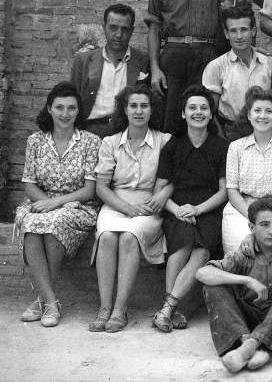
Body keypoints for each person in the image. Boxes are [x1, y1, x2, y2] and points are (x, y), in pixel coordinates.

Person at [15, 82, 102, 327]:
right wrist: (47, 203)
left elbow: (89, 190)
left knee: (54, 224)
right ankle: (51, 302)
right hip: (39, 202)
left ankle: (42, 300)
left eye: (71, 108)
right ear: (49, 109)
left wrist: (56, 204)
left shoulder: (90, 141)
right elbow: (29, 184)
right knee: (32, 225)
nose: (65, 113)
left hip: (77, 206)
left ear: (78, 111)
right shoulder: (35, 141)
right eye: (60, 107)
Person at [89, 86, 172, 333]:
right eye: (133, 106)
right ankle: (104, 308)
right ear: (124, 110)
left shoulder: (164, 141)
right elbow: (102, 187)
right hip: (115, 203)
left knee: (129, 236)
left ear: (152, 110)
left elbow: (176, 178)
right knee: (106, 237)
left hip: (148, 206)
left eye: (144, 106)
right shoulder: (111, 143)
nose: (138, 111)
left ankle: (119, 309)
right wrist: (125, 207)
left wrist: (163, 194)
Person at [152, 85, 229, 332]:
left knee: (202, 252)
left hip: (209, 210)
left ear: (211, 114)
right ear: (183, 113)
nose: (198, 112)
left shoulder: (221, 146)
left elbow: (223, 191)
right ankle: (173, 309)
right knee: (182, 244)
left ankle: (167, 308)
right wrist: (177, 210)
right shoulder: (173, 146)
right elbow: (159, 189)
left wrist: (197, 210)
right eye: (192, 108)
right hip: (177, 208)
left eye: (204, 108)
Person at [196, 198, 272, 374]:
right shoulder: (245, 252)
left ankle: (256, 348)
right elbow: (202, 273)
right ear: (251, 227)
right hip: (249, 317)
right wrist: (247, 280)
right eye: (264, 225)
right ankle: (247, 342)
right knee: (213, 286)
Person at [145, 0, 226, 134]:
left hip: (206, 55)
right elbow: (153, 30)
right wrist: (155, 68)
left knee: (205, 111)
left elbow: (223, 24)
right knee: (171, 114)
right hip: (173, 56)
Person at [222, 87, 272, 255]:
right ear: (249, 115)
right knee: (241, 249)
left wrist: (269, 215)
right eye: (257, 111)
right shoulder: (235, 147)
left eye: (269, 111)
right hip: (241, 210)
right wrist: (253, 216)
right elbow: (232, 189)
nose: (262, 116)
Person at [70, 3, 150, 138]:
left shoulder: (143, 61)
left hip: (128, 132)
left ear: (132, 31)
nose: (119, 34)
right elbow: (71, 100)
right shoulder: (84, 61)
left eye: (125, 29)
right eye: (113, 28)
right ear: (104, 28)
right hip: (90, 131)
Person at [202, 2, 272, 140]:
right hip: (231, 131)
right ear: (226, 34)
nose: (239, 36)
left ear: (253, 31)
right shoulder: (216, 66)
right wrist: (222, 139)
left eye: (244, 30)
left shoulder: (269, 62)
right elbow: (209, 110)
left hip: (264, 129)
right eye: (233, 31)